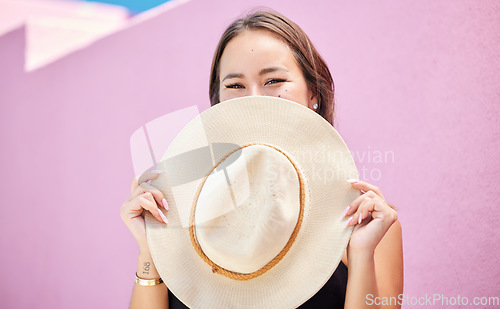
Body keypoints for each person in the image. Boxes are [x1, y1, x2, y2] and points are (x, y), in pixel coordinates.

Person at [121, 9, 403, 309]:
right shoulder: (181, 204)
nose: (254, 98)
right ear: (217, 101)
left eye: (274, 80)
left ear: (314, 93)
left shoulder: (368, 223)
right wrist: (150, 250)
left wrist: (361, 255)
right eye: (235, 85)